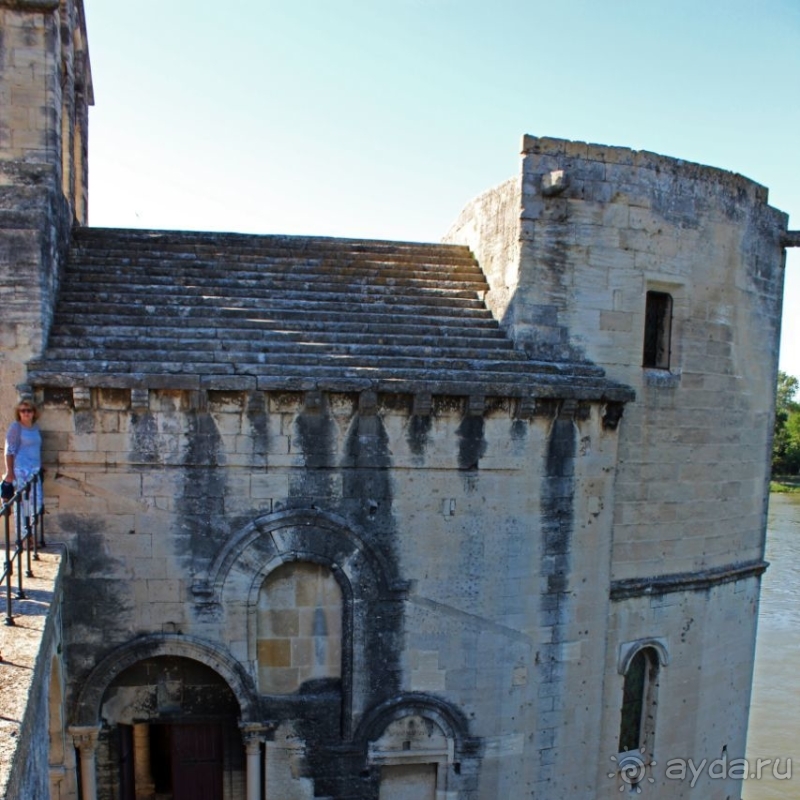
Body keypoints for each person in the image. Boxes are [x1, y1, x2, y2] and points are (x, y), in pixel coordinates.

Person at [2, 400, 43, 507]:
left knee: (36, 505)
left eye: (29, 410)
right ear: (18, 413)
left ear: (34, 412)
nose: (26, 413)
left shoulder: (36, 427)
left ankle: (33, 524)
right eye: (22, 411)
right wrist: (9, 471)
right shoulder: (16, 427)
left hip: (35, 470)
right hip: (21, 470)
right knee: (22, 505)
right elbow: (9, 450)